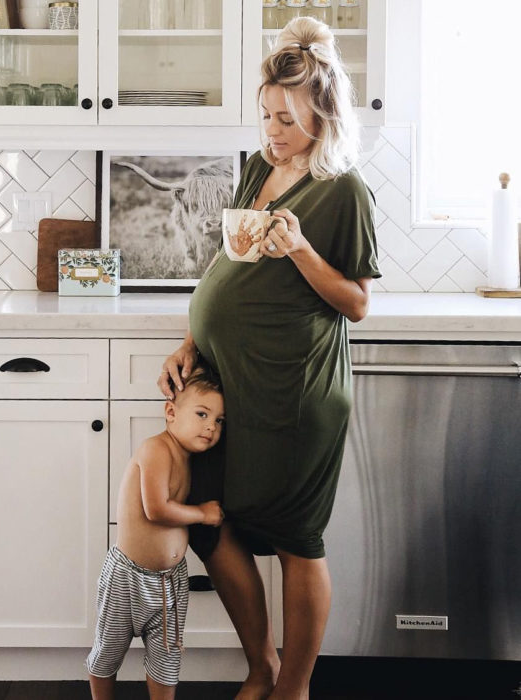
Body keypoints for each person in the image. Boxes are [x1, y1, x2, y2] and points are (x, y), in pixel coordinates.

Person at [157, 16, 381, 700]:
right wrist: (193, 340)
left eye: (285, 118)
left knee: (294, 541)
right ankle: (262, 665)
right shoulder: (259, 166)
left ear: (323, 112)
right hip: (227, 384)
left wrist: (304, 249)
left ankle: (294, 687)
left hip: (293, 392)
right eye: (265, 115)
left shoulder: (344, 191)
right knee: (208, 519)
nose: (271, 131)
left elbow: (356, 302)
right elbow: (230, 261)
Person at [87, 363, 226, 700]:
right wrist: (203, 514)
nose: (211, 427)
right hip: (127, 578)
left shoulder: (191, 459)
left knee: (167, 657)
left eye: (219, 421)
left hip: (170, 581)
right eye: (202, 414)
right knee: (108, 651)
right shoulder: (156, 450)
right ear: (170, 412)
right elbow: (157, 508)